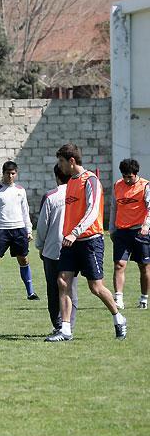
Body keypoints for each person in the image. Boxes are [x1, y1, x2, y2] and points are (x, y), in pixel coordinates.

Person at [46, 143, 127, 342]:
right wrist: (68, 235)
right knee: (62, 281)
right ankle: (65, 330)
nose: (60, 166)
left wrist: (75, 232)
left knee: (96, 287)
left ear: (72, 161)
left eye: (61, 161)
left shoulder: (90, 180)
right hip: (70, 243)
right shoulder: (70, 183)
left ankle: (119, 317)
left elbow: (92, 212)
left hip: (90, 241)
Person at [0, 161, 38, 301]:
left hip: (19, 229)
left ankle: (31, 293)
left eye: (13, 173)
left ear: (16, 174)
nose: (10, 176)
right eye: (8, 173)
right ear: (3, 173)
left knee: (23, 260)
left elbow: (25, 211)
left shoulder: (20, 190)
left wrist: (29, 230)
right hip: (2, 230)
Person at [36, 164, 78, 335]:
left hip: (53, 249)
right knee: (71, 288)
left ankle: (59, 324)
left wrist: (40, 246)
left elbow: (42, 225)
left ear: (56, 176)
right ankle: (69, 325)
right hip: (74, 246)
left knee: (54, 289)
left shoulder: (50, 196)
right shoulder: (78, 194)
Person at [109, 158, 150, 310]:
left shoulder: (145, 186)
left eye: (130, 177)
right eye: (124, 176)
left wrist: (146, 225)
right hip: (122, 232)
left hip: (140, 231)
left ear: (136, 174)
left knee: (144, 266)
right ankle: (118, 299)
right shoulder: (117, 185)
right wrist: (112, 229)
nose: (126, 179)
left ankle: (144, 298)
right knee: (119, 265)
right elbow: (114, 208)